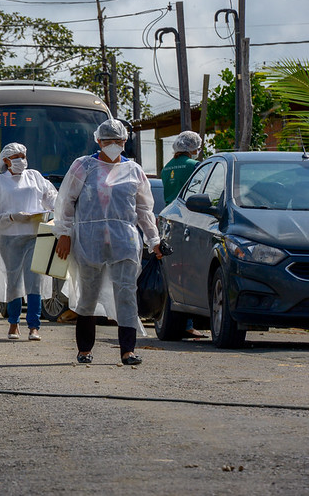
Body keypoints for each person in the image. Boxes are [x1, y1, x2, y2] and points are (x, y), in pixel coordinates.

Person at [53, 119, 163, 366]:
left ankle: (128, 350)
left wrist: (153, 239)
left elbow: (144, 209)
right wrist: (64, 233)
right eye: (108, 141)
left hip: (124, 240)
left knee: (126, 292)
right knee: (88, 295)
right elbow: (66, 202)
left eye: (118, 141)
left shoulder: (134, 171)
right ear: (98, 141)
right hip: (89, 240)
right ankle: (84, 349)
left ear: (125, 142)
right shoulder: (84, 167)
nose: (113, 145)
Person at [0, 142, 58, 341]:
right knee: (13, 281)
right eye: (17, 157)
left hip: (34, 235)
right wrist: (12, 217)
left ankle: (34, 326)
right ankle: (14, 324)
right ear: (6, 160)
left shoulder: (35, 177)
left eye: (23, 156)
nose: (21, 160)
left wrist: (56, 212)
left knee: (35, 281)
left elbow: (52, 198)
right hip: (9, 238)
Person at [161, 130, 207, 339]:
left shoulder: (167, 168)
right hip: (189, 221)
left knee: (175, 272)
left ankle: (177, 320)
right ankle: (188, 323)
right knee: (190, 271)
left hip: (170, 221)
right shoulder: (194, 167)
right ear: (192, 147)